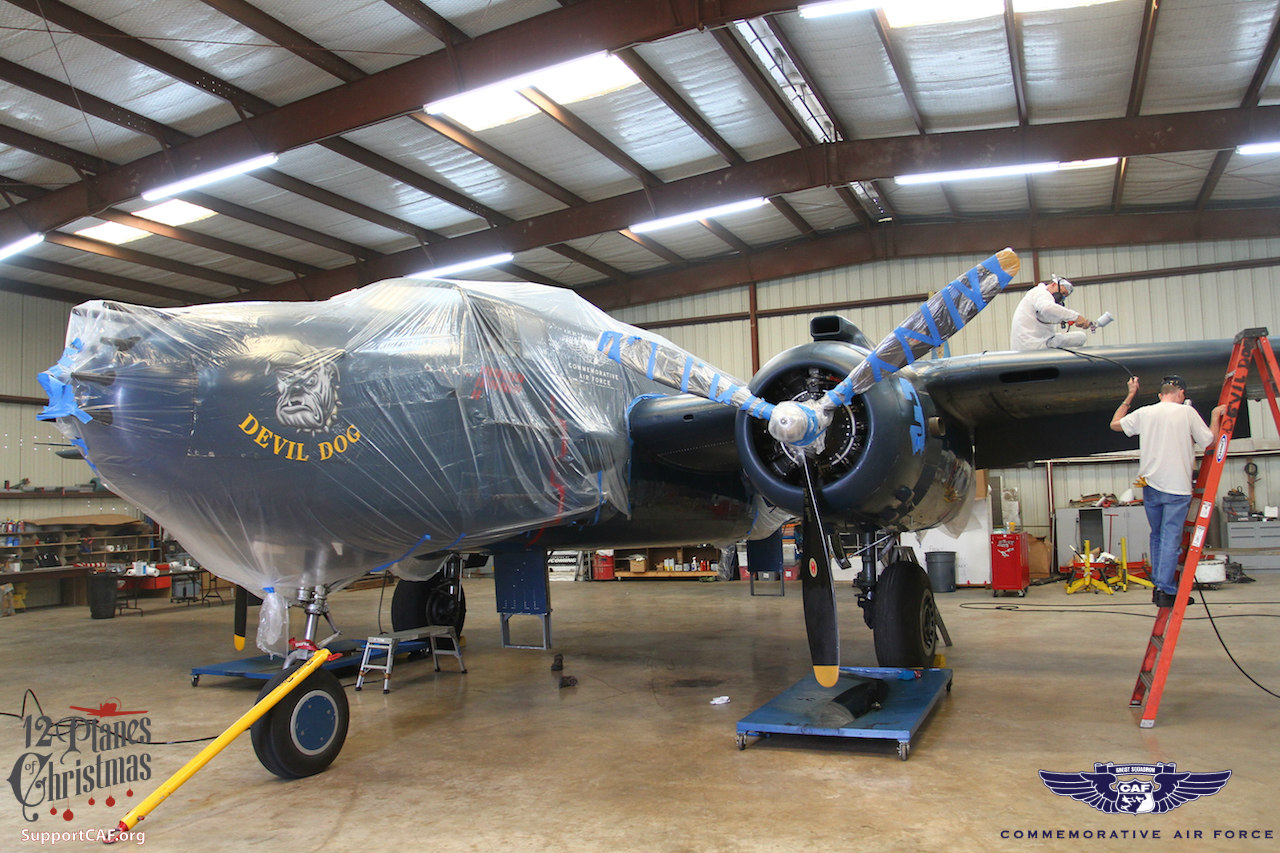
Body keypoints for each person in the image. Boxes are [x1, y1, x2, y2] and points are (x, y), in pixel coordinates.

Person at [1110, 375, 1226, 607]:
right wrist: (1215, 416)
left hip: (1149, 485)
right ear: (1181, 393)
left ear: (1160, 394)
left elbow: (1115, 424)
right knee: (1171, 538)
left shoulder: (1146, 412)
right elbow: (1209, 441)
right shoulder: (1186, 412)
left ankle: (1158, 585)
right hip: (1176, 486)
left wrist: (1131, 394)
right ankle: (1165, 589)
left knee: (1157, 536)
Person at [1009, 274, 1094, 350]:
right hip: (1035, 345)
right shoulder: (1042, 293)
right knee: (1081, 337)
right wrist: (1076, 317)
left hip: (1026, 345)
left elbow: (1048, 312)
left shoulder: (1037, 296)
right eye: (1062, 293)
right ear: (1053, 284)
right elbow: (1047, 308)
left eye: (1065, 296)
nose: (1062, 297)